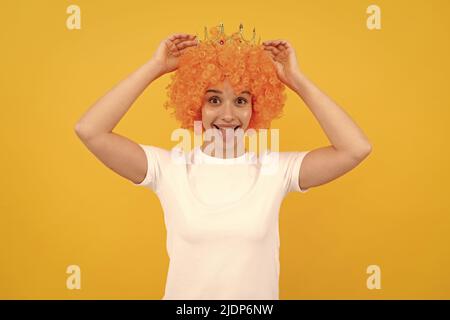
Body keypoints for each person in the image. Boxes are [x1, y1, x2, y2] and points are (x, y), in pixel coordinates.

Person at [74, 24, 372, 300]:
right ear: (195, 106)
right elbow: (91, 130)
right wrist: (155, 68)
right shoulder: (168, 169)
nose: (228, 115)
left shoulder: (276, 171)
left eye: (241, 101)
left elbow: (355, 149)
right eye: (214, 100)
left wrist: (298, 81)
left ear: (255, 108)